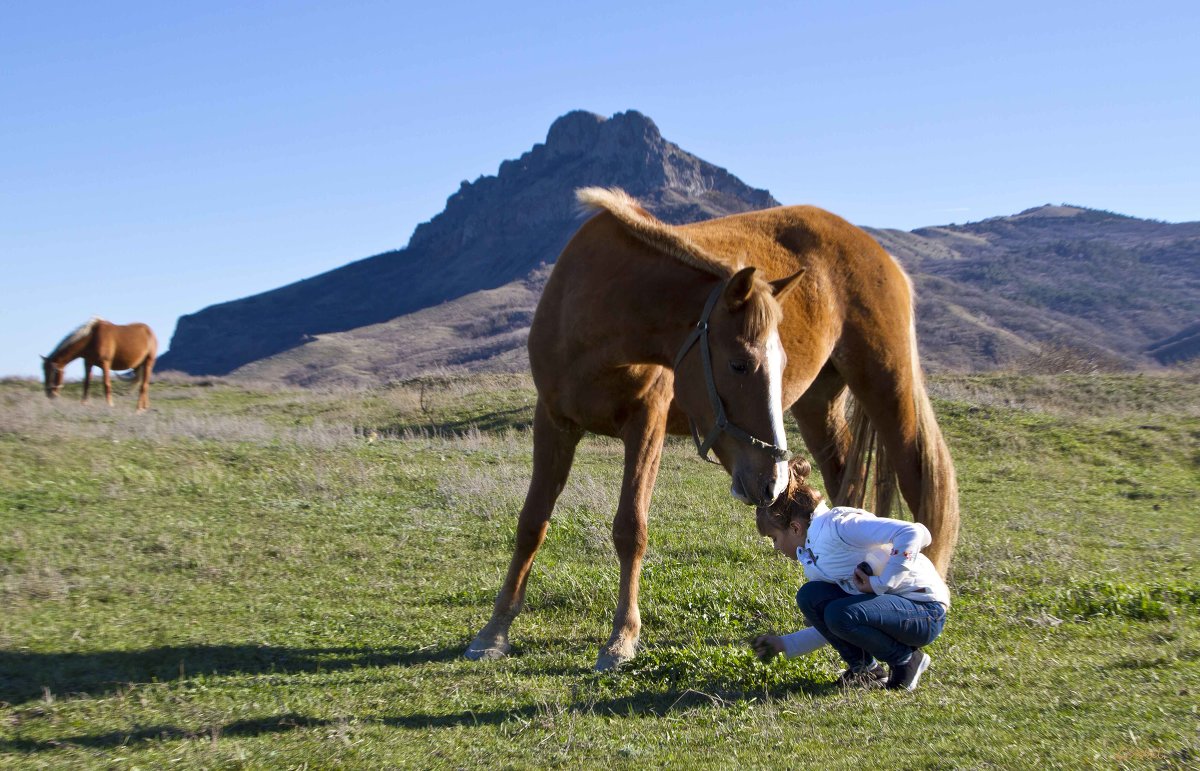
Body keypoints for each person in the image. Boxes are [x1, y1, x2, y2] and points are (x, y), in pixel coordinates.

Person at [750, 457, 949, 692]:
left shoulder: (839, 525)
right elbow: (834, 626)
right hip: (894, 612)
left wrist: (882, 583)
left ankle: (907, 661)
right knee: (810, 596)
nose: (775, 547)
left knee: (837, 612)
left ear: (795, 528)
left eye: (774, 538)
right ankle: (866, 671)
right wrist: (785, 643)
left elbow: (913, 533)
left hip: (925, 612)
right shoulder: (812, 558)